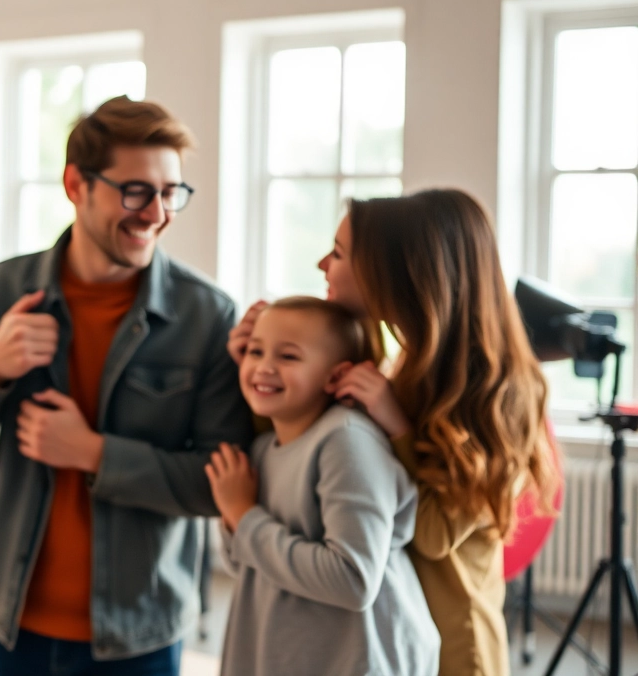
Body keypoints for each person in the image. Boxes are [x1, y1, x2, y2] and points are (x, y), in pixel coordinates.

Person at [0, 96, 253, 675]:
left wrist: (95, 453)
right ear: (77, 184)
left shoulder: (209, 317)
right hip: (4, 625)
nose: (156, 213)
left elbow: (216, 485)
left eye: (171, 192)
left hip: (139, 637)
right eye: (136, 191)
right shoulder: (0, 293)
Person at [227, 189, 559, 676]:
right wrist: (259, 365)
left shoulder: (499, 391)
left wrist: (397, 425)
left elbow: (430, 535)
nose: (322, 263)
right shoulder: (403, 365)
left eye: (338, 253)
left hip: (454, 649)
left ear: (398, 271)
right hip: (391, 635)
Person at [208, 297, 439, 676]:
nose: (263, 367)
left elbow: (353, 580)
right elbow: (244, 561)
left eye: (288, 357)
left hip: (355, 661)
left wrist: (243, 515)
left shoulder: (347, 441)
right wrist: (236, 519)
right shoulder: (264, 448)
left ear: (334, 377)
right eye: (255, 351)